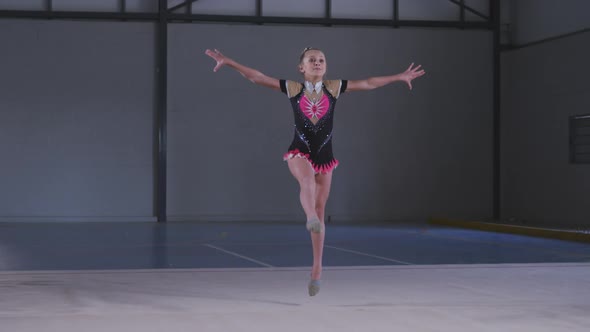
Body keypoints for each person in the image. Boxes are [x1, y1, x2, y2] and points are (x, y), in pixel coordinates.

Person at [205, 47, 425, 296]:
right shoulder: (293, 89)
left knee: (321, 209)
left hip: (325, 156)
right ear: (302, 68)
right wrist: (230, 61)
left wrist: (398, 76)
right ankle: (309, 218)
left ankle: (317, 268)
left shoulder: (334, 88)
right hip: (299, 150)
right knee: (307, 183)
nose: (318, 63)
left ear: (326, 66)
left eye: (321, 60)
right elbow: (257, 77)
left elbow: (368, 83)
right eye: (312, 60)